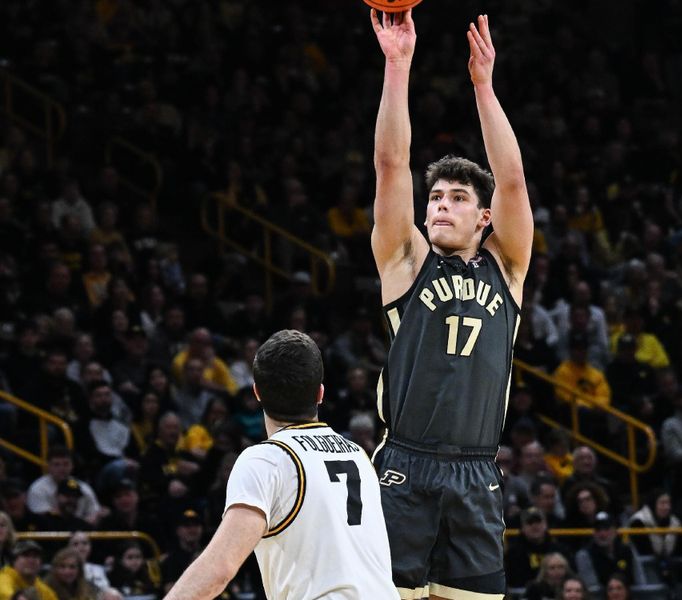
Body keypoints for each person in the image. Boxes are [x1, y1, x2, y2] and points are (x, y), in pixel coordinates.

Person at [369, 8, 534, 598]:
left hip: (476, 471)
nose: (439, 204)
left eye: (457, 197)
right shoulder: (406, 262)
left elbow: (512, 182)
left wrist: (484, 87)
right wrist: (398, 65)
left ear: (483, 217)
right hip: (403, 468)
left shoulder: (506, 265)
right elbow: (391, 166)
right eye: (435, 196)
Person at [163, 330, 396, 599]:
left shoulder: (267, 459)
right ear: (320, 393)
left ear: (257, 392)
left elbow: (220, 568)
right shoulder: (357, 454)